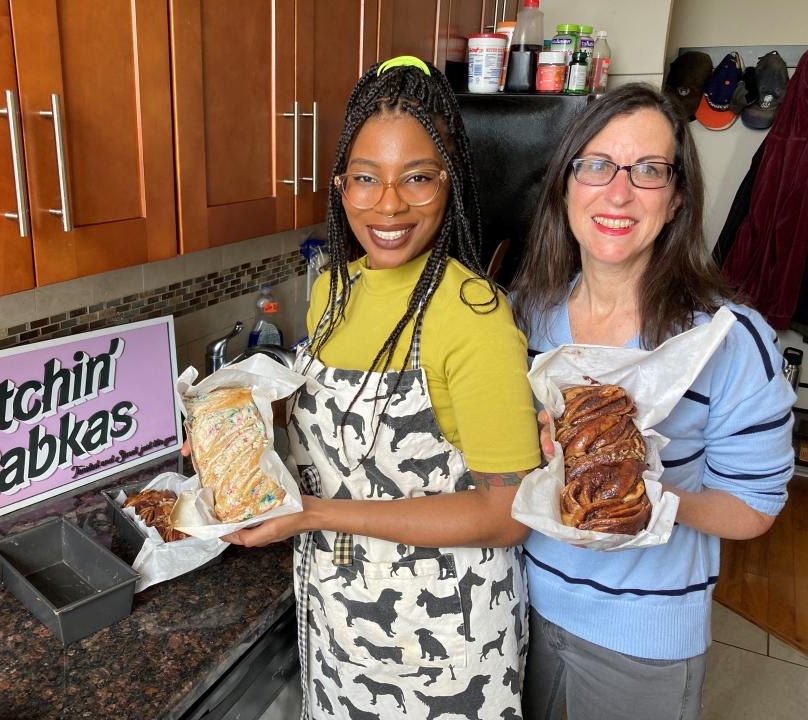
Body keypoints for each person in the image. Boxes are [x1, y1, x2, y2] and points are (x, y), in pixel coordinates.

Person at [224, 57, 540, 718]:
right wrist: (238, 431)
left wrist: (312, 515)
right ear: (341, 185)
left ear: (448, 186)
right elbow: (333, 431)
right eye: (366, 178)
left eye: (417, 179)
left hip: (447, 647)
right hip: (337, 617)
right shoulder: (334, 290)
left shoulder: (473, 315)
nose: (388, 204)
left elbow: (507, 516)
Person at [510, 83, 796, 720]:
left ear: (675, 200)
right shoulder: (525, 315)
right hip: (516, 607)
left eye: (649, 170)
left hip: (640, 640)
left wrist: (636, 496)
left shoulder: (727, 338)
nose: (619, 191)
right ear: (565, 185)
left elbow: (754, 510)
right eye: (597, 164)